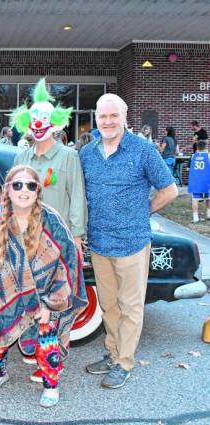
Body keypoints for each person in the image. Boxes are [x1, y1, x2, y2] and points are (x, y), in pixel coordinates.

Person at [0, 165, 85, 408]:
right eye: (17, 185)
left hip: (42, 297)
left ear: (38, 191)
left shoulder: (51, 220)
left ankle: (51, 384)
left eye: (30, 185)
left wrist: (52, 303)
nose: (24, 190)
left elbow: (69, 263)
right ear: (7, 190)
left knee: (46, 340)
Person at [80, 94, 177, 389]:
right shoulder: (87, 153)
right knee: (109, 305)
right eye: (102, 116)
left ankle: (124, 363)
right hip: (99, 242)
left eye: (113, 116)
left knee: (131, 305)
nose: (107, 121)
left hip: (133, 241)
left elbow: (170, 190)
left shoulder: (143, 150)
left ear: (124, 118)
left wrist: (142, 210)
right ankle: (111, 353)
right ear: (96, 118)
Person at [11, 77, 86, 381]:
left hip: (58, 244)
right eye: (33, 119)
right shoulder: (22, 156)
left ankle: (52, 363)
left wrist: (77, 237)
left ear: (54, 122)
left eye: (44, 119)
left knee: (57, 303)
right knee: (30, 299)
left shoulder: (69, 157)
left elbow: (77, 198)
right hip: (27, 242)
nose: (38, 124)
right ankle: (34, 348)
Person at [188, 140, 210, 223]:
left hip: (196, 182)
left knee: (195, 199)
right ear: (206, 147)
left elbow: (188, 168)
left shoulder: (193, 156)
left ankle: (195, 217)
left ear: (197, 147)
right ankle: (208, 214)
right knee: (208, 198)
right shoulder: (208, 155)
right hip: (207, 181)